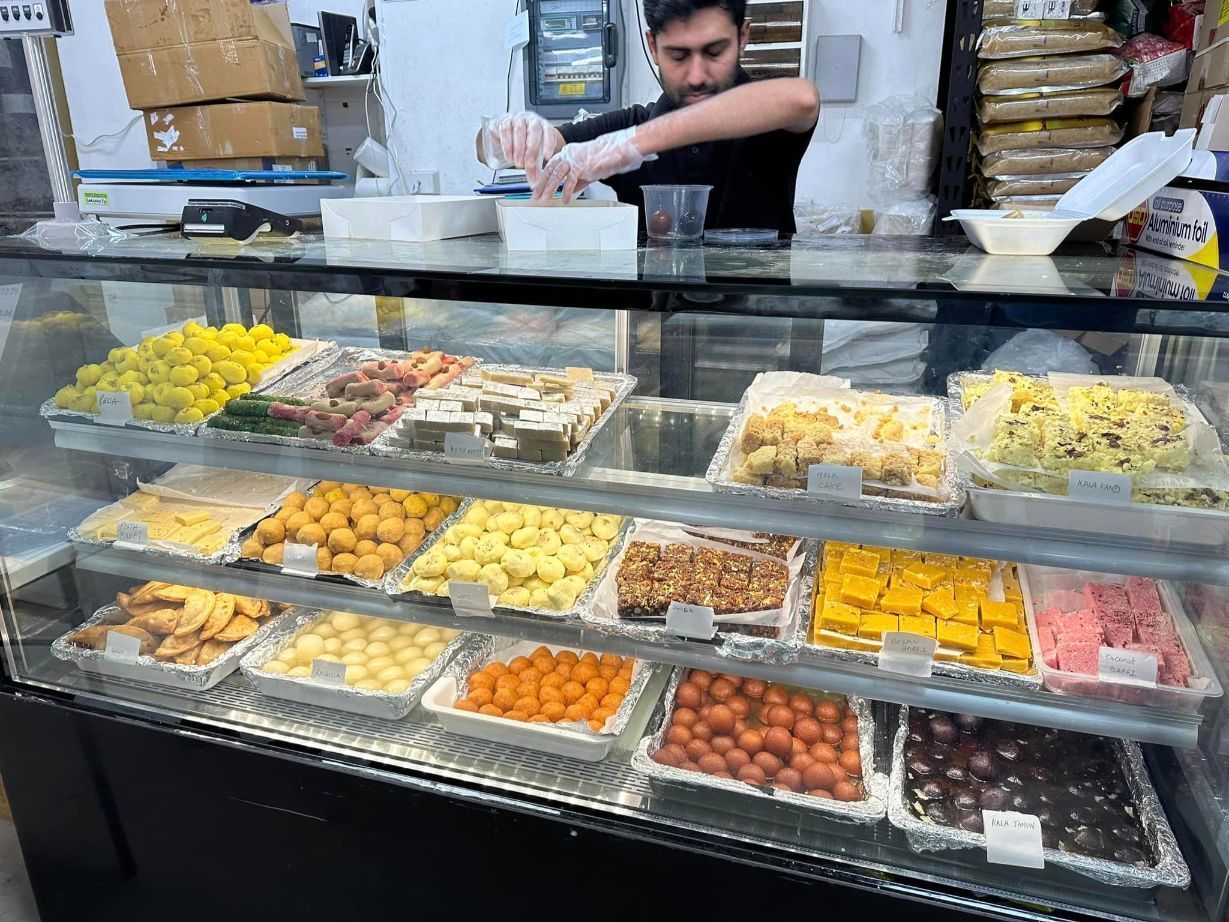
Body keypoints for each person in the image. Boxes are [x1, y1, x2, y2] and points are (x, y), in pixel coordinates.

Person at [477, 0, 820, 234]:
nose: (697, 75)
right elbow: (492, 149)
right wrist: (507, 134)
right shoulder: (629, 124)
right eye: (678, 55)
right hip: (650, 330)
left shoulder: (768, 120)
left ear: (743, 37)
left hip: (754, 329)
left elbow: (802, 98)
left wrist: (632, 145)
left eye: (714, 52)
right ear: (652, 46)